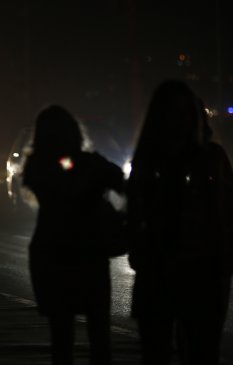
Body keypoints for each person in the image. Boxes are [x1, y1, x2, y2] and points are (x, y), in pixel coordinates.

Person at [127, 80, 233, 365]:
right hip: (171, 271)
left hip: (200, 271)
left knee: (196, 350)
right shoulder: (154, 161)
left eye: (184, 114)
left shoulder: (209, 159)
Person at [21, 105, 124, 365]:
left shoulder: (37, 166)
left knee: (62, 337)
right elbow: (121, 183)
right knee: (98, 336)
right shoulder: (90, 164)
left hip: (53, 256)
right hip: (88, 255)